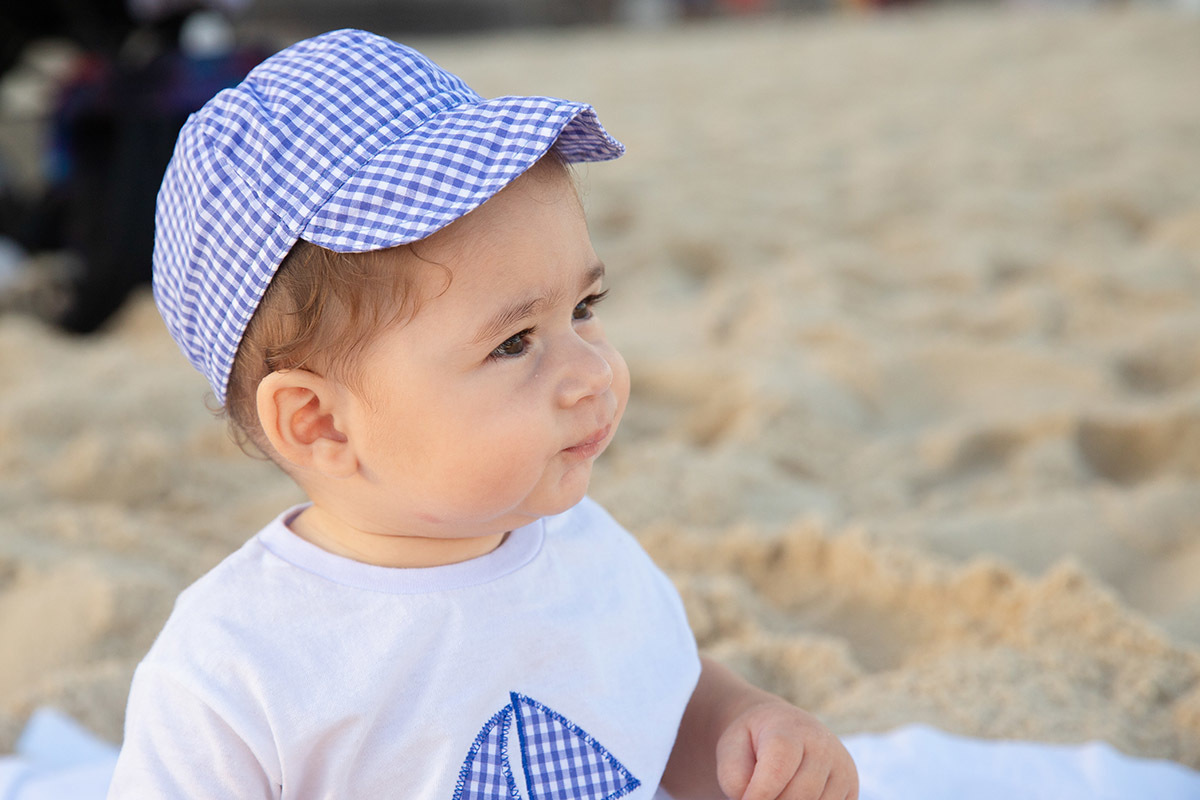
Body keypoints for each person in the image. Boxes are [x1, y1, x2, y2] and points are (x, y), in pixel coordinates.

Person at [107, 29, 859, 800]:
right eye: (514, 343)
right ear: (319, 422)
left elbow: (662, 695)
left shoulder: (580, 545)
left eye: (586, 307)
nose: (593, 371)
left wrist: (743, 727)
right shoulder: (237, 667)